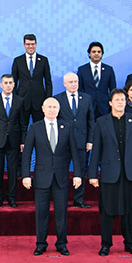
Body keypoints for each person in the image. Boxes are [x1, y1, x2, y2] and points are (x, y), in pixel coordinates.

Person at [88, 89, 132, 257]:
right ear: (110, 103)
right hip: (109, 173)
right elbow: (96, 150)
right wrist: (92, 174)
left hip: (129, 173)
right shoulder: (102, 122)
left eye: (123, 100)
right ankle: (106, 244)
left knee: (129, 211)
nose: (120, 102)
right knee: (107, 211)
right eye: (117, 100)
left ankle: (130, 244)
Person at [21, 97, 83, 256]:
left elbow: (75, 153)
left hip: (61, 177)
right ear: (43, 109)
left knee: (61, 212)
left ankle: (62, 243)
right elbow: (27, 153)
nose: (52, 110)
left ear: (59, 109)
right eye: (49, 107)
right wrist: (26, 175)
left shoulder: (66, 127)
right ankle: (41, 244)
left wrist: (77, 174)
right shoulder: (35, 127)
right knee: (41, 212)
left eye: (55, 107)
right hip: (42, 176)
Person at [0, 74, 28, 207]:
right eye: (6, 83)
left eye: (10, 83)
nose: (8, 85)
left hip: (14, 141)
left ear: (14, 85)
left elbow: (23, 123)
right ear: (1, 85)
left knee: (12, 170)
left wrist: (23, 141)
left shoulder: (20, 101)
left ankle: (12, 197)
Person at [54, 72, 94, 208]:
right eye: (71, 82)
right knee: (62, 172)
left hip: (81, 142)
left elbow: (90, 121)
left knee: (80, 171)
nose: (74, 84)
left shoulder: (86, 98)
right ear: (64, 84)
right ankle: (62, 199)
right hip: (63, 143)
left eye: (76, 81)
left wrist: (90, 140)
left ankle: (79, 199)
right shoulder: (57, 99)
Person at [12, 34, 53, 123]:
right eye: (28, 44)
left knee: (39, 128)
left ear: (36, 44)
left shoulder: (44, 60)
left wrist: (48, 100)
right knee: (22, 128)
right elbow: (13, 82)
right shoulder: (18, 61)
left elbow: (48, 82)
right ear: (24, 45)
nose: (30, 46)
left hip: (39, 101)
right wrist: (16, 99)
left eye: (33, 44)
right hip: (22, 101)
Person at [77, 41, 117, 119]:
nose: (96, 54)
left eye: (99, 52)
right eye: (93, 52)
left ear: (102, 54)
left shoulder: (109, 69)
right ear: (89, 54)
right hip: (88, 106)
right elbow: (79, 90)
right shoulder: (82, 70)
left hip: (105, 107)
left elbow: (113, 89)